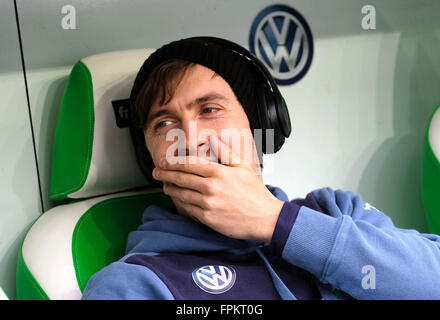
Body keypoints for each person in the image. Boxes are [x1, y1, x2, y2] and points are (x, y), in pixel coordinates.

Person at [82, 37, 440, 300]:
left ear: (259, 126)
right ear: (150, 159)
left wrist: (276, 222)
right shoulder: (135, 283)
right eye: (163, 123)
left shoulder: (335, 211)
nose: (189, 138)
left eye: (209, 110)